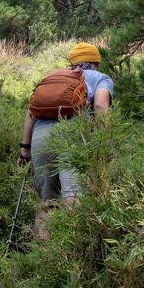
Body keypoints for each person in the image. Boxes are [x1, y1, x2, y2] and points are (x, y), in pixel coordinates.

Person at [17, 43, 113, 236]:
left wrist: (25, 150)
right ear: (96, 63)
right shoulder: (100, 77)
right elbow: (101, 107)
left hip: (41, 136)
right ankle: (73, 252)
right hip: (73, 133)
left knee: (47, 200)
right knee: (73, 196)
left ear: (71, 62)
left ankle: (44, 256)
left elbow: (31, 113)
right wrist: (106, 148)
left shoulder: (51, 78)